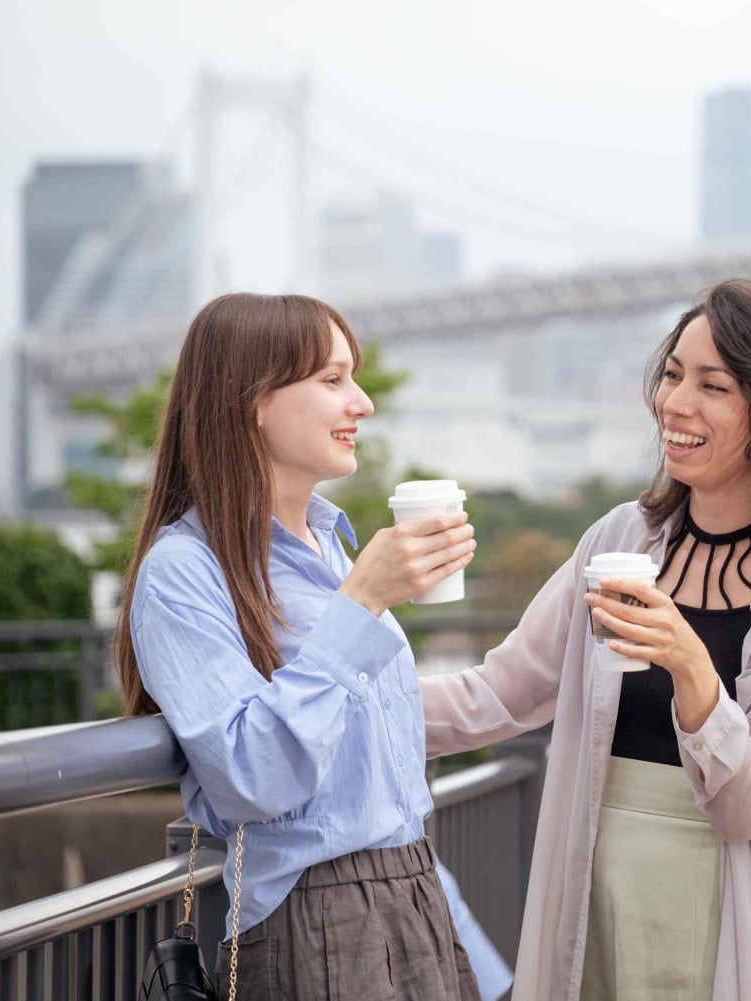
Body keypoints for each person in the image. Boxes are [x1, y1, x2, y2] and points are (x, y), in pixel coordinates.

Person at [420, 278, 751, 1000]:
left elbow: (750, 804)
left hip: (729, 912)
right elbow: (499, 693)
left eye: (713, 385)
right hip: (595, 894)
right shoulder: (621, 539)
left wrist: (691, 665)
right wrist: (328, 710)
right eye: (673, 373)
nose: (675, 403)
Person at [116, 292, 511, 1001]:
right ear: (252, 401)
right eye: (332, 380)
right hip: (316, 921)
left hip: (417, 897)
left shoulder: (330, 544)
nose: (360, 402)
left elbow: (390, 793)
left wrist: (477, 959)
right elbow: (250, 776)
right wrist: (361, 603)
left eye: (353, 377)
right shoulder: (183, 571)